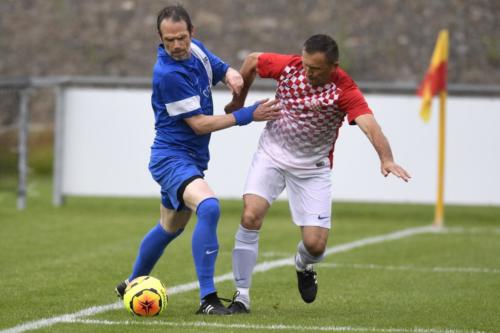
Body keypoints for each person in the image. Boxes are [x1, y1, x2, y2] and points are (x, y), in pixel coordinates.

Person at [224, 34, 411, 314]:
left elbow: (370, 125)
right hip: (272, 154)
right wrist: (239, 101)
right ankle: (241, 297)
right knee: (250, 215)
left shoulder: (345, 89)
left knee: (315, 245)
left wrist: (386, 158)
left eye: (315, 69)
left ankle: (303, 264)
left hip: (313, 168)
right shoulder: (290, 67)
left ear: (334, 66)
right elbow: (252, 61)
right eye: (305, 64)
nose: (307, 72)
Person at [114, 4, 280, 315]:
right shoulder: (168, 73)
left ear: (193, 33)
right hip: (171, 158)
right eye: (168, 40)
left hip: (190, 158)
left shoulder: (197, 50)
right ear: (160, 38)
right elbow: (200, 124)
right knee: (209, 206)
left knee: (169, 227)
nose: (176, 45)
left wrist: (232, 74)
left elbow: (218, 68)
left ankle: (131, 282)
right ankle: (208, 298)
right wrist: (247, 114)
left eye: (181, 38)